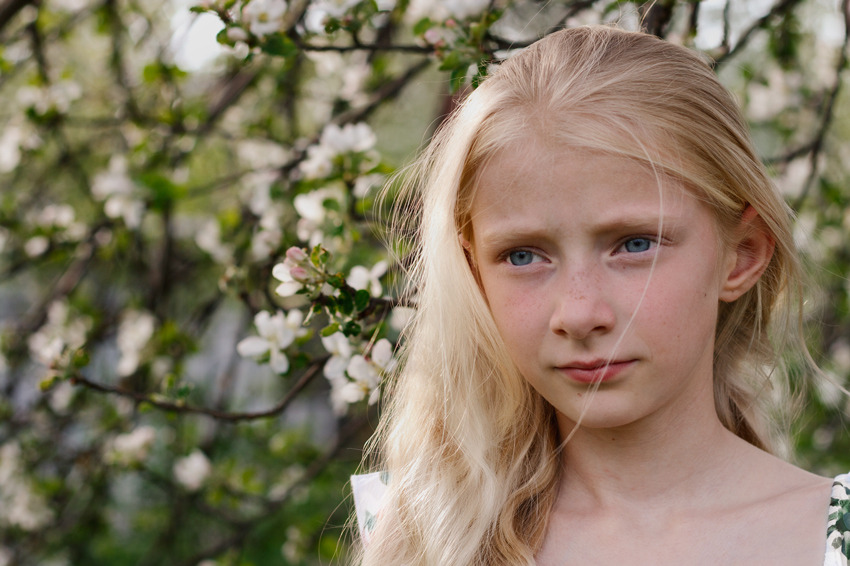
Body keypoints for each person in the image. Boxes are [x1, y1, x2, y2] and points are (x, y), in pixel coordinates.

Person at [350, 25, 850, 565]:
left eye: (633, 245)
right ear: (473, 274)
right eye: (523, 255)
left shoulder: (829, 537)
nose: (580, 314)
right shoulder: (422, 533)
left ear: (743, 253)